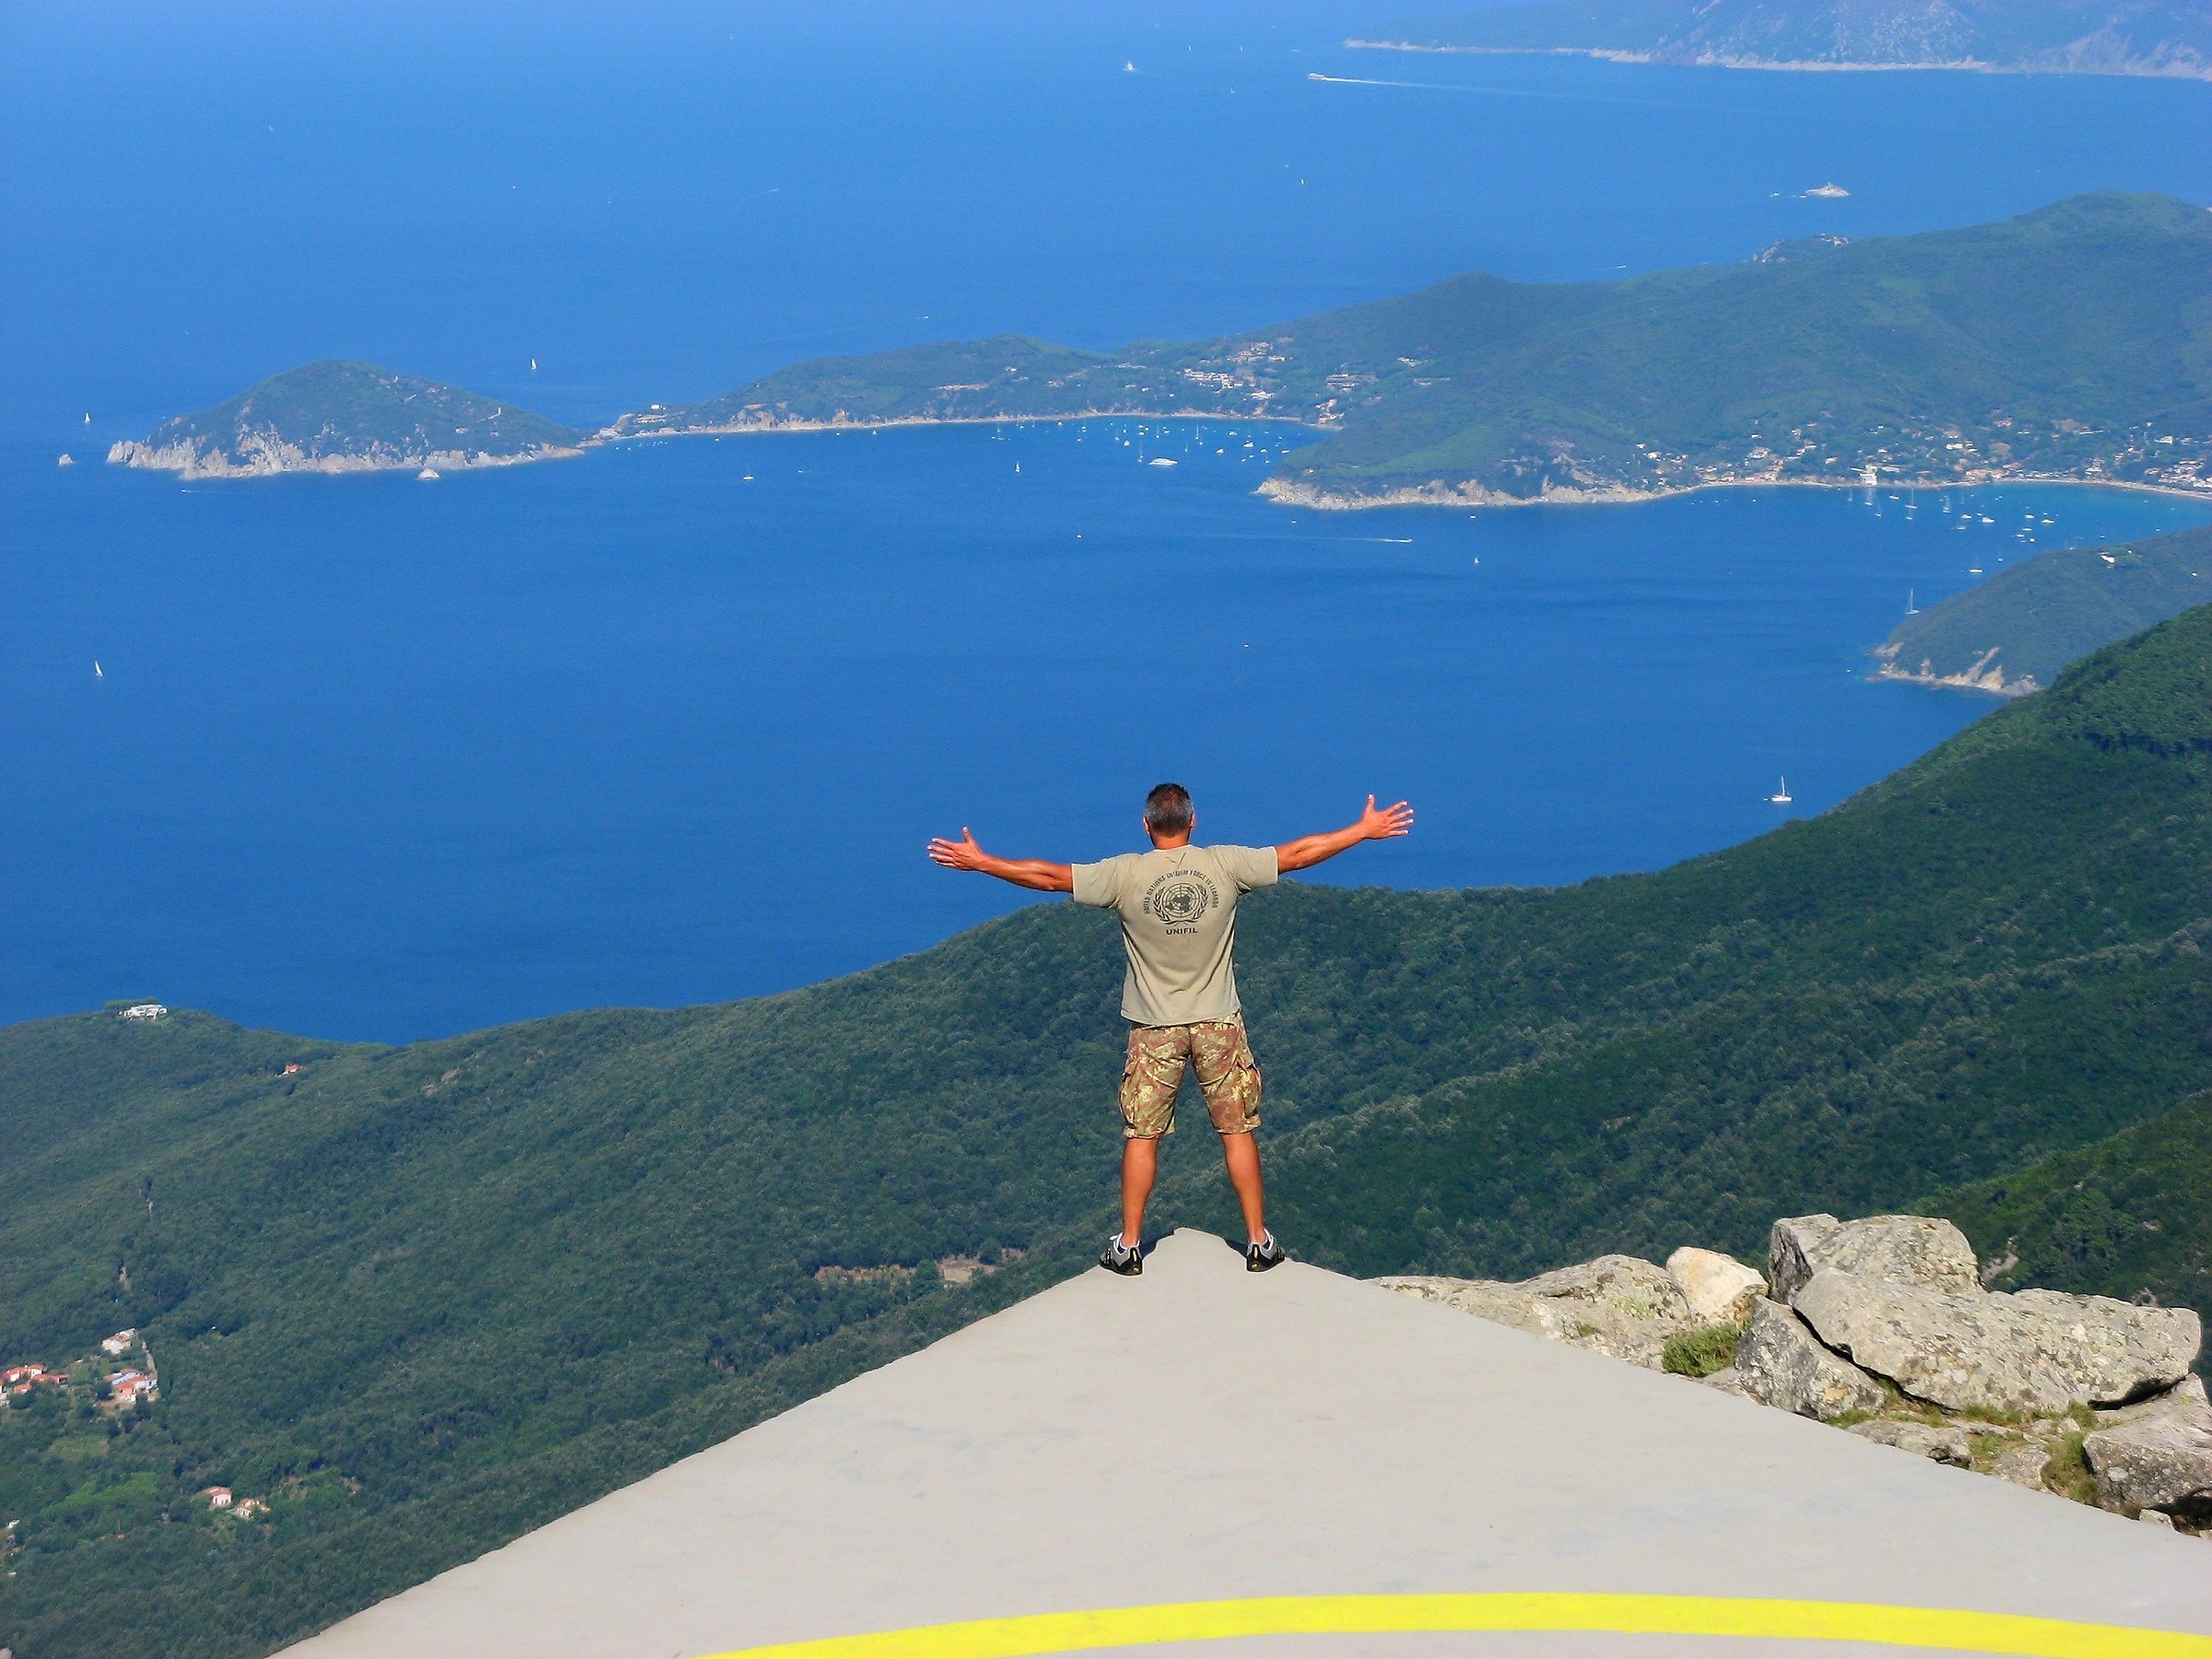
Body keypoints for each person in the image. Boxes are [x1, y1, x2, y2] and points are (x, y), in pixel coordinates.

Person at [926, 784, 1414, 1277]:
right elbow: (1297, 855)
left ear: (1145, 825)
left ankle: (1130, 1246)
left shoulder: (1124, 875)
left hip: (1154, 1029)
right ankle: (1258, 1243)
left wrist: (984, 862)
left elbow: (1050, 877)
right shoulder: (1223, 865)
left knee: (1143, 1136)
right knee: (1237, 1131)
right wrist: (1362, 831)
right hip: (1219, 1022)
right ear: (1193, 821)